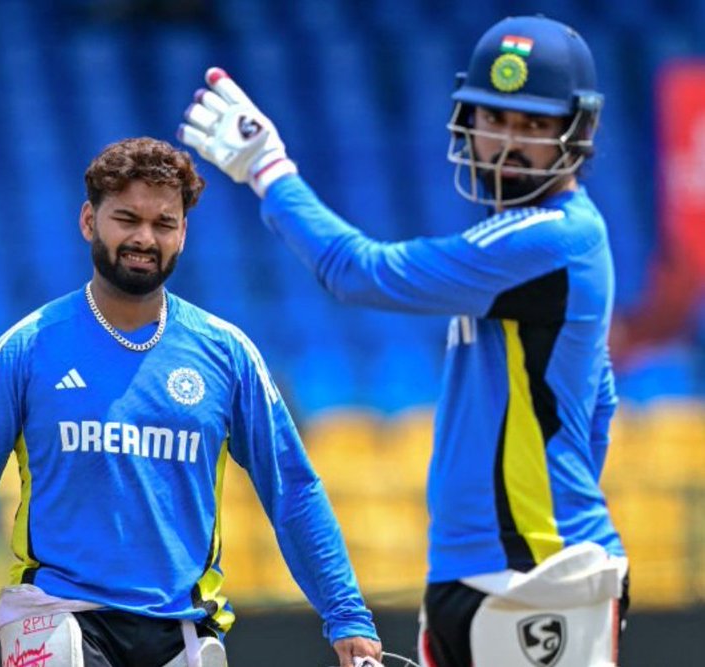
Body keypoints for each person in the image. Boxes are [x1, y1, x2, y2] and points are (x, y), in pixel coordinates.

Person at [179, 15, 629, 667]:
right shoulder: (535, 244)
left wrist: (267, 168)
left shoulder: (552, 237)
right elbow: (600, 405)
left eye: (533, 125)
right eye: (493, 118)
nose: (506, 142)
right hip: (474, 567)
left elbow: (361, 272)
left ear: (577, 132)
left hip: (538, 567)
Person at [0, 137, 382, 667]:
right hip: (56, 614)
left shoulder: (227, 353)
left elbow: (293, 490)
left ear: (183, 233)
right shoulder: (26, 348)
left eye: (163, 224)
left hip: (183, 626)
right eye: (126, 218)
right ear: (89, 221)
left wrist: (348, 616)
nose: (144, 238)